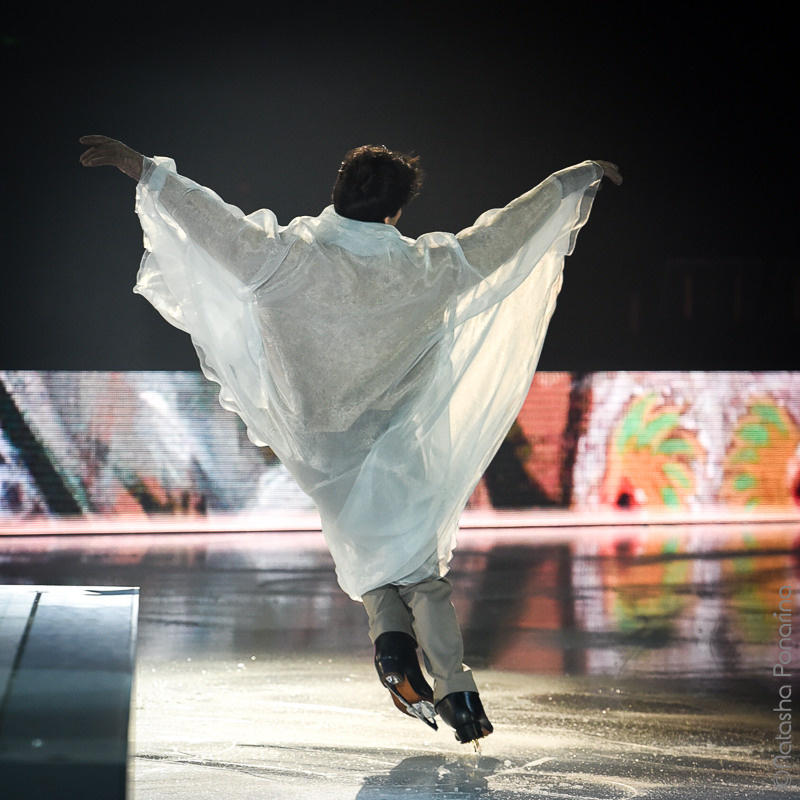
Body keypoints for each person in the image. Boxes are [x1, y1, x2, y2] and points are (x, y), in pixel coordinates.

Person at [79, 134, 621, 744]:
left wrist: (144, 170)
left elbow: (210, 220)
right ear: (395, 212)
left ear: (337, 193)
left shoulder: (283, 258)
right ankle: (456, 689)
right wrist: (568, 182)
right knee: (420, 572)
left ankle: (392, 650)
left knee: (374, 562)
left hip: (322, 451)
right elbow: (501, 237)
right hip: (398, 445)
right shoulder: (428, 269)